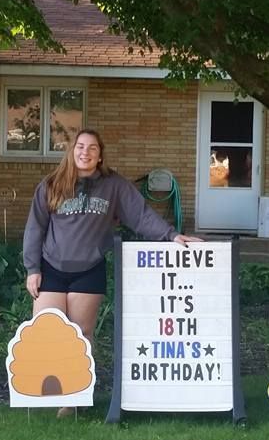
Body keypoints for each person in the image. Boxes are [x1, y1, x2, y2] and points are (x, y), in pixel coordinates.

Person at [22, 128, 202, 417]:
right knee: (47, 332)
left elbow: (140, 215)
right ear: (72, 151)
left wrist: (171, 236)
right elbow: (35, 227)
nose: (85, 152)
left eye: (92, 148)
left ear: (100, 155)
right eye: (80, 146)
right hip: (51, 268)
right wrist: (32, 268)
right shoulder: (52, 184)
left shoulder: (113, 185)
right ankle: (48, 391)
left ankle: (72, 399)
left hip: (88, 270)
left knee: (82, 334)